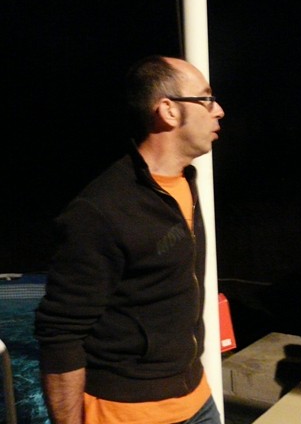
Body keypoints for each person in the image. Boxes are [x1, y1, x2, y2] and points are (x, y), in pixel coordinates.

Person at [34, 55, 225, 424]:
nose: (218, 110)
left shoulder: (185, 181)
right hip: (129, 413)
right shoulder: (100, 211)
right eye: (206, 99)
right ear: (169, 111)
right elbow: (60, 334)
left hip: (197, 400)